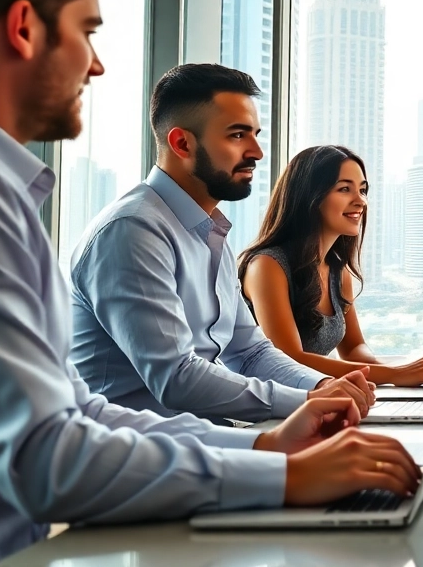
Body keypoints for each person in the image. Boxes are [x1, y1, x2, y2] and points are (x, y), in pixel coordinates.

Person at [0, 0, 418, 567]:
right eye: (88, 31)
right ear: (23, 28)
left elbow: (79, 410)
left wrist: (269, 445)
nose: (97, 65)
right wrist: (283, 474)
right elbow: (47, 454)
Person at [69, 63, 376, 423]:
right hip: (137, 462)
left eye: (255, 134)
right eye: (237, 136)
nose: (257, 152)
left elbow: (250, 352)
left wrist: (324, 386)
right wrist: (307, 399)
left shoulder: (209, 234)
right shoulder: (132, 231)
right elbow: (177, 378)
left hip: (203, 446)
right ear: (182, 143)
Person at [240, 144, 423, 386]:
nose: (361, 201)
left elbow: (354, 348)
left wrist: (404, 373)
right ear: (309, 197)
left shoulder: (337, 270)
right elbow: (289, 360)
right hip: (268, 411)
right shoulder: (267, 266)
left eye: (363, 190)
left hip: (312, 400)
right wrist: (396, 375)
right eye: (344, 189)